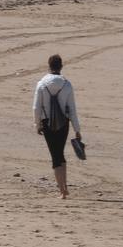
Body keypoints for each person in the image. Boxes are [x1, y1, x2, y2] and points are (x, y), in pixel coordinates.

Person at [33, 53, 83, 200]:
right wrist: (77, 129)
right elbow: (72, 108)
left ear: (49, 66)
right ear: (61, 66)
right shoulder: (67, 84)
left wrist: (37, 125)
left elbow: (36, 107)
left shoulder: (41, 84)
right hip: (63, 123)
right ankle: (64, 187)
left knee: (55, 156)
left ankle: (62, 191)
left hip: (47, 123)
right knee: (60, 154)